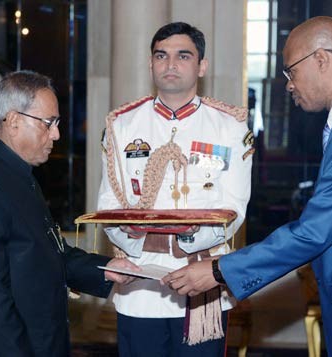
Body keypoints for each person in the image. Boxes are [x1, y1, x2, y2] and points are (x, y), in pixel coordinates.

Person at [163, 16, 332, 357]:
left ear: (321, 59)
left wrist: (220, 270)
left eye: (291, 71)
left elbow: (315, 231)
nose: (289, 85)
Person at [0, 70, 139, 357]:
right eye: (49, 123)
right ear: (13, 122)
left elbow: (47, 253)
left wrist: (106, 268)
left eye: (56, 123)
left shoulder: (18, 175)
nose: (57, 134)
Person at [97, 22, 253, 356]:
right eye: (161, 55)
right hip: (139, 286)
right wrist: (141, 242)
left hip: (201, 281)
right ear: (151, 63)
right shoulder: (122, 125)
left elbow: (234, 209)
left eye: (183, 56)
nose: (171, 64)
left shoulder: (230, 127)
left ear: (202, 66)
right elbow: (107, 204)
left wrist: (183, 244)